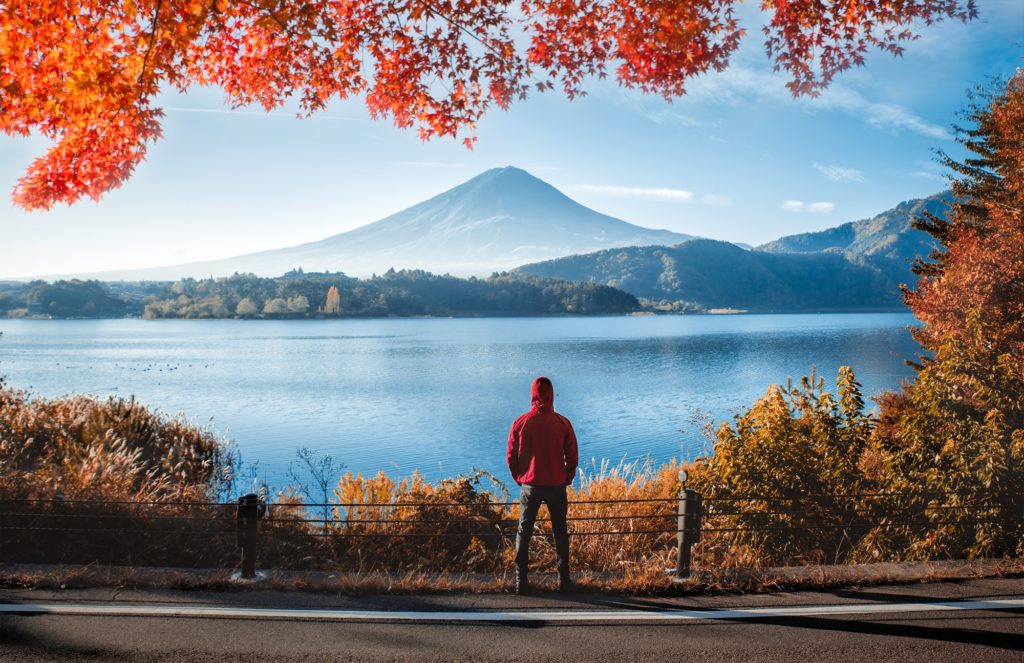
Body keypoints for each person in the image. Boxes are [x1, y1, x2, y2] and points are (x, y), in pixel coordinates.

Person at [506, 376, 578, 594]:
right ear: (551, 394)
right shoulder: (562, 423)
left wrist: (520, 477)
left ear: (532, 395)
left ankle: (521, 582)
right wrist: (567, 477)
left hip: (531, 486)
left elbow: (510, 456)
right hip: (556, 484)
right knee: (560, 532)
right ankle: (564, 581)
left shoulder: (520, 423)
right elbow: (572, 456)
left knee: (523, 532)